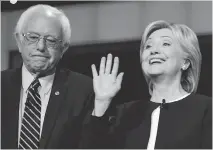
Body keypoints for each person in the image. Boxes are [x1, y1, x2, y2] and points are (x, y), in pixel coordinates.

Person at [1, 4, 124, 149]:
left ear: (64, 48)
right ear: (19, 41)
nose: (40, 46)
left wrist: (102, 104)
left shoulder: (83, 91)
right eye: (33, 37)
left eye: (51, 40)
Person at [88, 20, 212, 149]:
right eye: (148, 46)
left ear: (185, 63)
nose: (154, 51)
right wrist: (101, 103)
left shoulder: (206, 110)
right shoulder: (125, 113)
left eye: (165, 43)